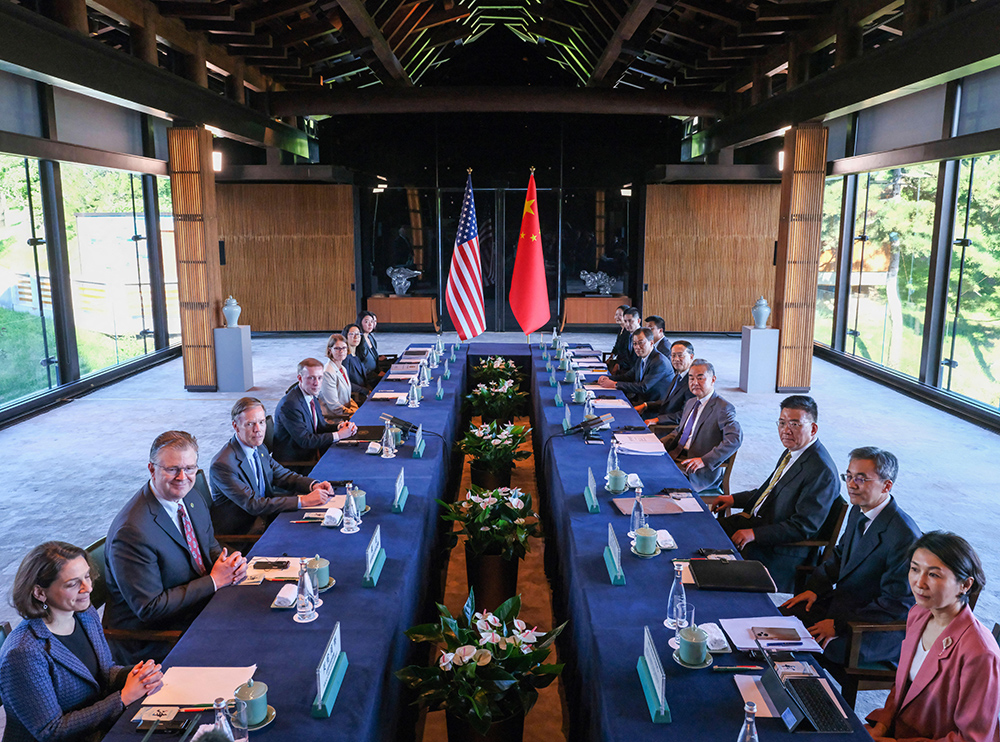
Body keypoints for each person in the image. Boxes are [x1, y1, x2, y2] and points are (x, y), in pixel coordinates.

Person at [103, 431, 248, 664]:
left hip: (196, 605)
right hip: (157, 637)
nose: (183, 477)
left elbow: (209, 547)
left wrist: (229, 561)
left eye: (190, 468)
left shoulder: (190, 498)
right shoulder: (132, 531)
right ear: (151, 469)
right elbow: (150, 608)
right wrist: (214, 581)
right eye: (172, 469)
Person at [0, 542, 164, 742]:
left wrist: (136, 674)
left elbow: (103, 672)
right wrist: (123, 698)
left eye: (87, 576)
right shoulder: (23, 653)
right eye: (73, 584)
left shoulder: (84, 613)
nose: (88, 588)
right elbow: (52, 731)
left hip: (96, 731)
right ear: (39, 593)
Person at [780, 447, 921, 667]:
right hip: (846, 605)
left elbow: (895, 604)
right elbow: (839, 555)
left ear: (887, 485)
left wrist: (838, 625)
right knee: (783, 617)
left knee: (812, 645)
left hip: (873, 627)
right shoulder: (859, 509)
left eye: (861, 479)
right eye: (849, 476)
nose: (851, 485)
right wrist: (815, 589)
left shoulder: (905, 537)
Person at [866, 532, 1000, 742]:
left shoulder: (980, 652)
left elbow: (972, 739)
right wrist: (882, 725)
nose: (919, 583)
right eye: (915, 569)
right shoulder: (918, 614)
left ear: (965, 585)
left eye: (934, 575)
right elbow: (902, 686)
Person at [712, 395, 840, 592]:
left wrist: (754, 534)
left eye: (795, 424)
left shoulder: (821, 472)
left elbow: (803, 527)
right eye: (782, 423)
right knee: (703, 530)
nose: (785, 430)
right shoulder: (794, 450)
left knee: (711, 559)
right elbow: (770, 490)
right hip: (762, 523)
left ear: (813, 428)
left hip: (783, 550)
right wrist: (733, 498)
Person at [209, 397, 335, 536]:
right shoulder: (222, 465)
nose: (258, 430)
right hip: (245, 530)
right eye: (250, 424)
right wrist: (304, 500)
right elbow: (254, 504)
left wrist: (312, 485)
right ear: (235, 426)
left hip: (268, 515)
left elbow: (282, 475)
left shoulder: (259, 447)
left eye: (262, 422)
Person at [661, 360, 742, 492]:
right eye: (691, 378)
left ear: (713, 379)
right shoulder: (691, 402)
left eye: (700, 378)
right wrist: (657, 443)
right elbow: (679, 432)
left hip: (697, 469)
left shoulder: (723, 408)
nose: (695, 382)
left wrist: (704, 460)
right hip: (676, 456)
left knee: (658, 481)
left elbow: (734, 439)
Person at [271, 358, 357, 466]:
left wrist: (339, 427)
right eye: (311, 378)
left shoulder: (311, 395)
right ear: (300, 378)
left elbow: (320, 426)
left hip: (312, 452)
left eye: (320, 378)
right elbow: (305, 441)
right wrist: (338, 435)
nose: (317, 383)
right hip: (298, 462)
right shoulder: (290, 405)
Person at [596, 327, 674, 404]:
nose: (637, 347)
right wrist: (607, 378)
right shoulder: (641, 358)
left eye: (640, 343)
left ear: (651, 343)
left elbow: (643, 387)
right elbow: (628, 377)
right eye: (634, 344)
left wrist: (614, 384)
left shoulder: (659, 362)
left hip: (654, 406)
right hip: (641, 400)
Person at [637, 340, 696, 426]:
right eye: (673, 355)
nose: (676, 359)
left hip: (670, 428)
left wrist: (657, 420)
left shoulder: (693, 382)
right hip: (662, 416)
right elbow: (669, 402)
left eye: (680, 356)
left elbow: (686, 414)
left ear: (691, 357)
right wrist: (646, 405)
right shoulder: (678, 376)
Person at [319, 333, 359, 420]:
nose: (341, 351)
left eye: (344, 348)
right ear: (330, 350)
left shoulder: (342, 368)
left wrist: (356, 410)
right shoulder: (327, 372)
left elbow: (348, 397)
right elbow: (334, 406)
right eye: (337, 348)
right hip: (336, 419)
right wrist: (355, 413)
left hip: (347, 413)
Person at [342, 323, 371, 402]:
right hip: (357, 396)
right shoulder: (345, 358)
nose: (356, 337)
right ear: (345, 336)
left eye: (358, 334)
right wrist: (365, 391)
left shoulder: (356, 354)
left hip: (365, 391)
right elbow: (345, 382)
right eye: (352, 334)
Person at [610, 307, 641, 374]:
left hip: (635, 374)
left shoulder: (643, 337)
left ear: (638, 321)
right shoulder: (627, 334)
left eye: (630, 321)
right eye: (625, 321)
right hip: (625, 371)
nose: (627, 324)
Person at [356, 311, 380, 382]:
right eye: (366, 322)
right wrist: (376, 375)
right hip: (368, 377)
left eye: (372, 322)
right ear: (360, 322)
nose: (370, 324)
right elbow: (360, 365)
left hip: (376, 371)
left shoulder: (370, 337)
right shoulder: (358, 340)